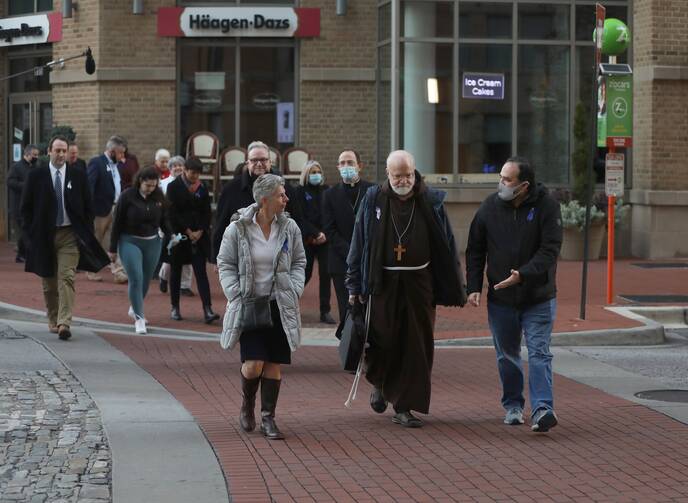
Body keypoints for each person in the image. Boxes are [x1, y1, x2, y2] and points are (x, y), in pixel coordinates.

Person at [346, 150, 465, 428]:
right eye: (398, 175)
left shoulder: (431, 200)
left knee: (416, 345)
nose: (404, 180)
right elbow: (359, 242)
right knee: (382, 340)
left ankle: (404, 406)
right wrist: (353, 284)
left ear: (415, 172)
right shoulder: (373, 198)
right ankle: (380, 382)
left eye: (408, 174)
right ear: (388, 174)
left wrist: (454, 283)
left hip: (419, 284)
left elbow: (446, 243)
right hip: (382, 283)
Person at [465, 156, 563, 433]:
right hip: (501, 299)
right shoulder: (490, 207)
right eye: (501, 178)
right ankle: (513, 405)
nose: (501, 184)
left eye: (507, 180)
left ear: (524, 186)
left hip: (538, 296)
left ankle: (543, 408)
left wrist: (523, 274)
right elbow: (475, 249)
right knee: (506, 355)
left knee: (539, 353)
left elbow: (550, 249)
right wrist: (473, 287)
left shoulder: (547, 206)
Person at [217, 174, 306, 440]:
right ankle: (247, 404)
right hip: (251, 305)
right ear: (264, 199)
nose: (286, 199)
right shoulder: (238, 228)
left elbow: (300, 261)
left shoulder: (289, 227)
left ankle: (269, 418)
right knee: (254, 364)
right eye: (281, 195)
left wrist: (294, 289)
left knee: (273, 364)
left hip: (279, 304)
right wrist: (235, 293)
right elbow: (225, 263)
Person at [20, 135, 108, 340]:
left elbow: (88, 206)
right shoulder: (36, 176)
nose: (61, 154)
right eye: (57, 150)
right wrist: (30, 234)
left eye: (64, 151)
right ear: (49, 151)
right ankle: (53, 318)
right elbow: (25, 209)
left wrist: (83, 230)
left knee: (67, 277)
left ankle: (64, 322)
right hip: (45, 236)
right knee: (49, 282)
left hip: (69, 234)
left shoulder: (78, 175)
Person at [212, 140, 303, 262]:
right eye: (254, 160)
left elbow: (297, 221)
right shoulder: (230, 190)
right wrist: (216, 258)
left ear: (270, 162)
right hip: (241, 259)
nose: (259, 164)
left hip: (278, 260)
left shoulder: (286, 189)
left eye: (264, 160)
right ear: (247, 163)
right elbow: (220, 224)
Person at [108, 167, 168, 335]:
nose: (150, 189)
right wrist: (112, 249)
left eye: (153, 186)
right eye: (147, 185)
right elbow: (117, 222)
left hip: (152, 242)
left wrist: (172, 235)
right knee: (136, 277)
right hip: (129, 240)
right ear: (140, 182)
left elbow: (164, 220)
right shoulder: (127, 196)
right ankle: (139, 318)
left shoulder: (158, 197)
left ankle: (134, 306)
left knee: (146, 280)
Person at [322, 149, 374, 323]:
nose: (346, 166)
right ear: (337, 167)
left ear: (359, 166)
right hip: (340, 261)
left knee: (368, 308)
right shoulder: (329, 194)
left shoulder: (372, 191)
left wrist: (363, 252)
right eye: (342, 163)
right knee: (347, 310)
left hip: (368, 260)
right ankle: (348, 346)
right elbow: (329, 230)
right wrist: (351, 252)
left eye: (350, 163)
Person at [166, 156, 219, 324]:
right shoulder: (173, 187)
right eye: (192, 173)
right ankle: (175, 307)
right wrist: (188, 231)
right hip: (180, 236)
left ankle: (207, 309)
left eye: (198, 174)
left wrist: (201, 230)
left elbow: (206, 212)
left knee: (201, 273)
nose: (195, 177)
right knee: (176, 272)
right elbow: (172, 213)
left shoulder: (202, 188)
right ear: (185, 170)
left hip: (199, 237)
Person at [296, 160, 336, 324]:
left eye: (318, 171)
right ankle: (289, 305)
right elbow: (300, 217)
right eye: (312, 172)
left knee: (326, 274)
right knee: (305, 273)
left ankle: (325, 311)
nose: (316, 175)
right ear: (306, 174)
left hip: (324, 239)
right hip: (307, 238)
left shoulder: (327, 191)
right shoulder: (299, 192)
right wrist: (314, 233)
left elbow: (331, 215)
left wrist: (324, 234)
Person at [86, 135, 128, 283]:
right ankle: (91, 270)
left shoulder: (116, 166)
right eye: (120, 153)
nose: (123, 156)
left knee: (113, 240)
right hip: (100, 209)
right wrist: (89, 209)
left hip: (115, 207)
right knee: (97, 240)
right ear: (111, 151)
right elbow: (89, 186)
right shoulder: (96, 163)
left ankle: (118, 272)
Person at [159, 155, 195, 296]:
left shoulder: (190, 183)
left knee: (188, 257)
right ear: (170, 169)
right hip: (170, 225)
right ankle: (163, 276)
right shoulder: (163, 184)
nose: (178, 168)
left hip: (187, 225)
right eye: (174, 166)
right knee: (170, 256)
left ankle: (185, 285)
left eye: (180, 165)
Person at [8, 144, 39, 263]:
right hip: (18, 205)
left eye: (37, 155)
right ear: (26, 154)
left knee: (27, 230)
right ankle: (28, 254)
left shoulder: (36, 167)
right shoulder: (16, 167)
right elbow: (10, 181)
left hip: (31, 205)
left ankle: (21, 255)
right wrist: (25, 186)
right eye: (34, 155)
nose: (36, 157)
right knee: (24, 231)